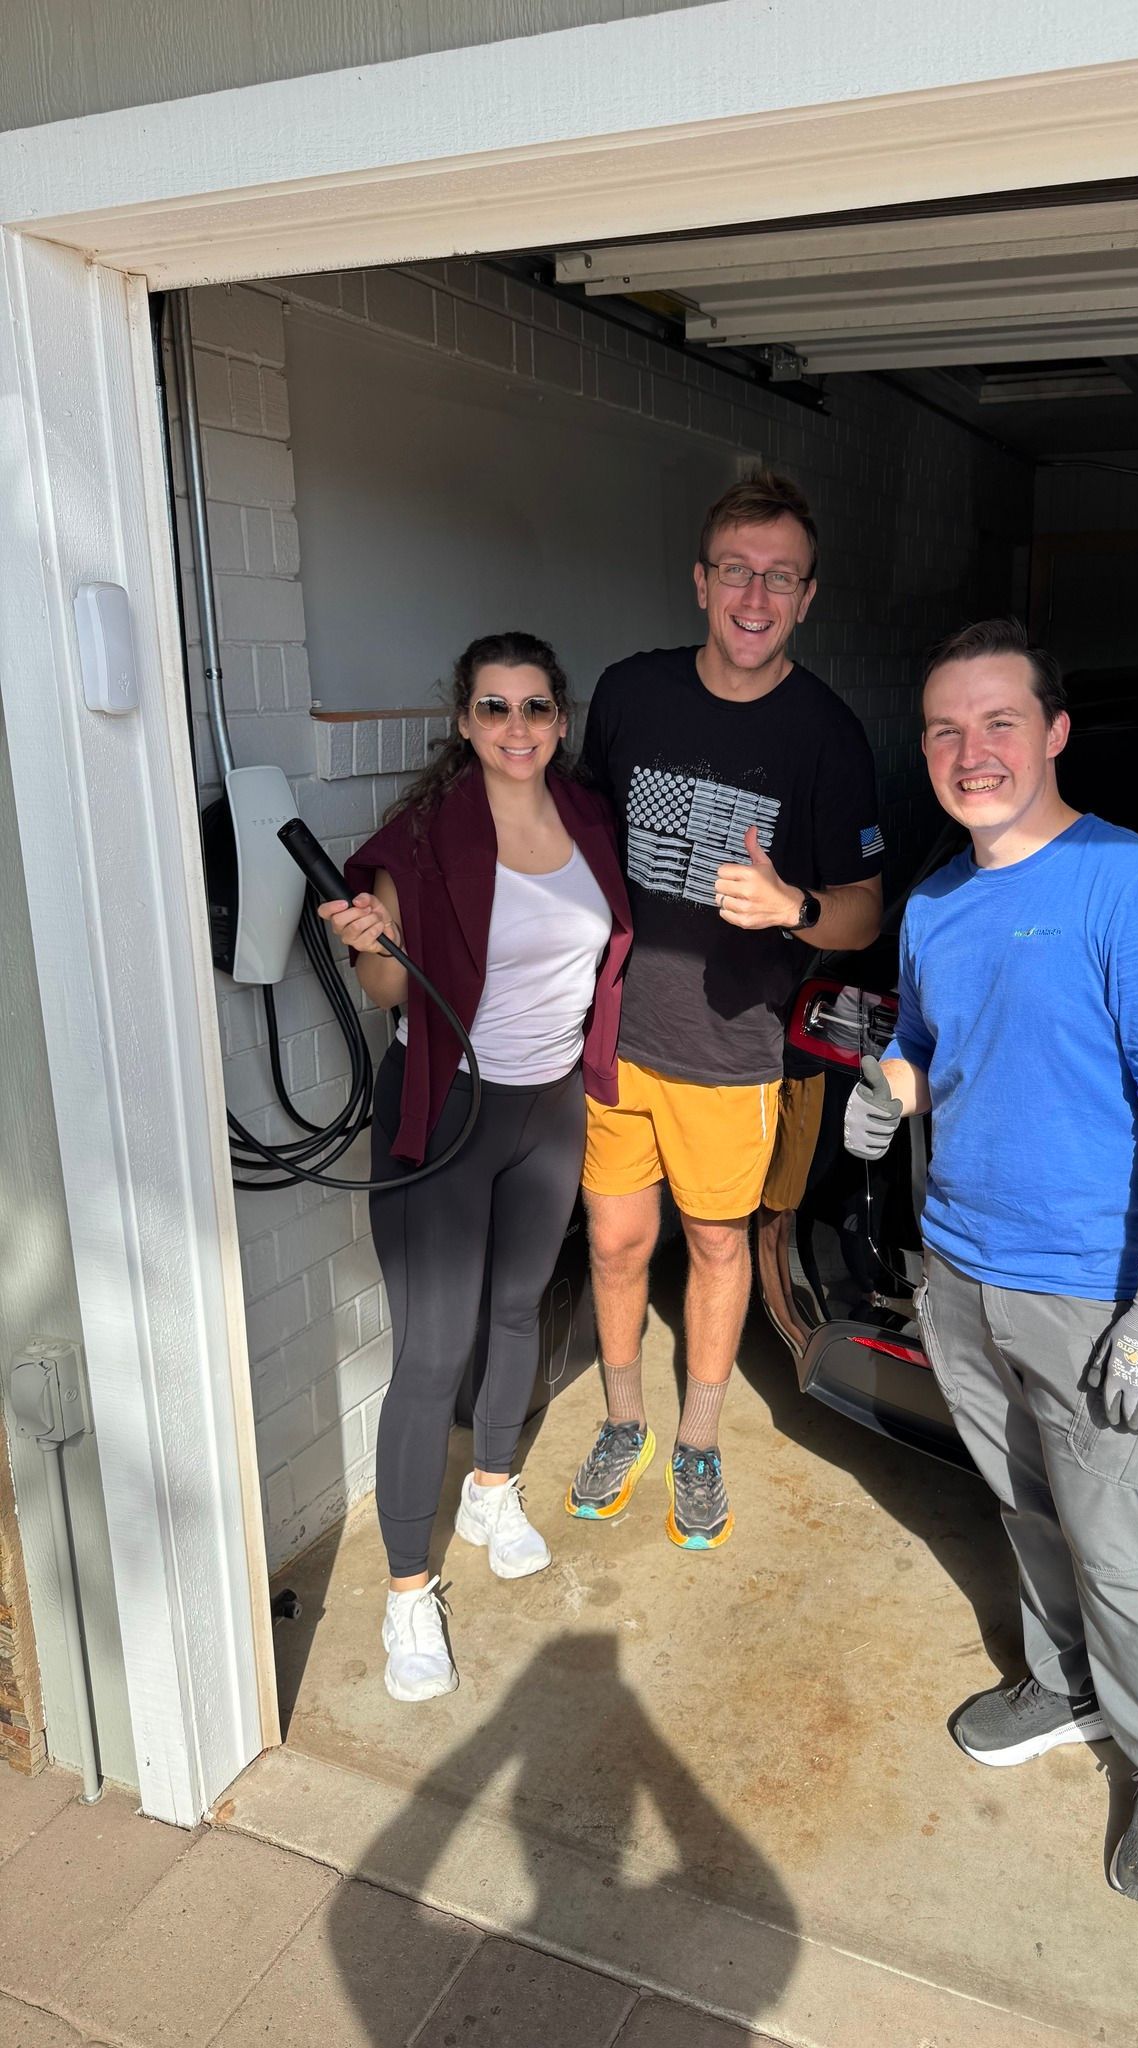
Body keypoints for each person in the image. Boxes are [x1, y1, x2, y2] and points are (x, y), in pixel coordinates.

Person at [844, 618, 1138, 1909]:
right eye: (946, 730)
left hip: (1088, 1287)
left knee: (1120, 1541)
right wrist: (889, 1083)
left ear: (1056, 730)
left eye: (999, 721)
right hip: (957, 1262)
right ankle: (1067, 1688)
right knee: (1024, 1507)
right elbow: (930, 1035)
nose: (973, 751)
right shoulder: (939, 898)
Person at [570, 472, 884, 1549]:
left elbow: (862, 909)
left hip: (731, 1049)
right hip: (618, 1035)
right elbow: (573, 841)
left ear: (807, 597)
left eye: (779, 577)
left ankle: (698, 1439)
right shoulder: (628, 694)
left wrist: (793, 905)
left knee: (714, 1246)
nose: (755, 594)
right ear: (702, 582)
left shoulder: (828, 735)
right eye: (737, 571)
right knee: (615, 1246)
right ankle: (625, 1422)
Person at [319, 631, 630, 1703]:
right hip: (447, 1115)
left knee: (516, 1313)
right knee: (432, 1346)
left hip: (549, 1106)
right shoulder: (425, 837)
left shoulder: (588, 818)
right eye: (493, 708)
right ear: (463, 719)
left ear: (559, 718)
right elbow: (392, 993)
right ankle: (410, 1588)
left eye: (535, 707)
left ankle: (491, 1490)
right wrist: (371, 941)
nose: (515, 728)